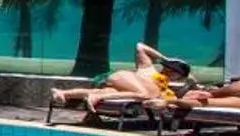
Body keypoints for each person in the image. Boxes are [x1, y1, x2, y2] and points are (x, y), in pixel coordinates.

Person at [52, 41, 189, 114]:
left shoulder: (164, 87)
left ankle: (62, 93)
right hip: (123, 77)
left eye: (178, 75)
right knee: (143, 94)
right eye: (175, 72)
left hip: (123, 87)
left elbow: (173, 100)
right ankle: (97, 98)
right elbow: (140, 46)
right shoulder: (149, 68)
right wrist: (164, 58)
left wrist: (189, 86)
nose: (174, 76)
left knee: (101, 92)